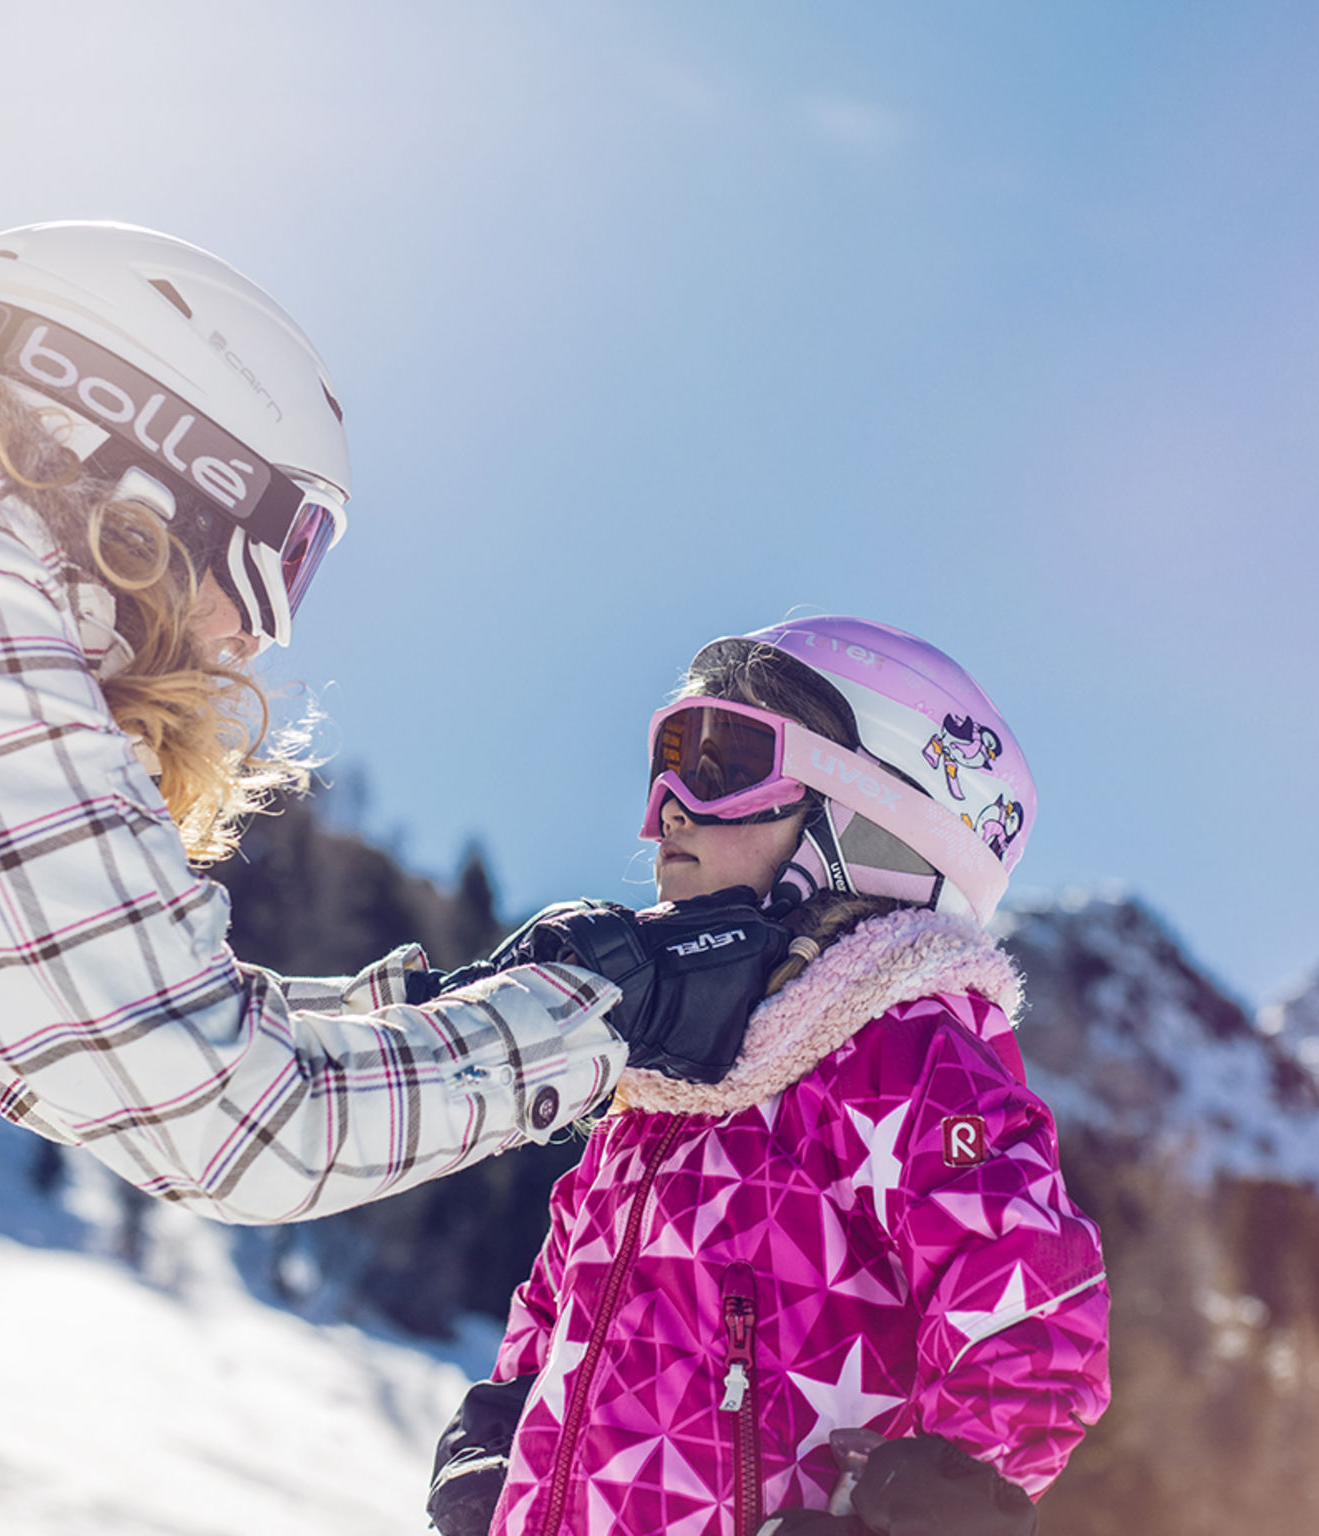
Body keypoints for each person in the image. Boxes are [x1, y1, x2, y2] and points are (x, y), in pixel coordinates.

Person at [0, 220, 781, 1225]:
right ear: (144, 461)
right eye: (281, 554)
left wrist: (464, 1001)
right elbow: (243, 1118)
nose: (258, 634)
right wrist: (608, 1014)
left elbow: (114, 1014)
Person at [427, 617, 1111, 1536]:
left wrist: (924, 1514)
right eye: (668, 762)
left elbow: (1034, 1310)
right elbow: (565, 1290)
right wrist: (501, 1429)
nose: (667, 808)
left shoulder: (899, 1054)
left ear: (872, 820)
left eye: (725, 763)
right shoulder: (672, 1075)